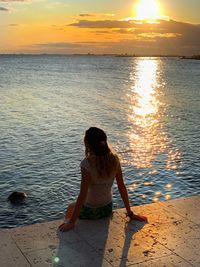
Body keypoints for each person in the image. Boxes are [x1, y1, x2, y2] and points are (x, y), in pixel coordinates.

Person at [59, 127, 147, 232]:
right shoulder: (114, 160)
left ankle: (69, 225)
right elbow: (121, 186)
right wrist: (130, 213)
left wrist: (71, 222)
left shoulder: (86, 164)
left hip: (91, 211)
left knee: (70, 207)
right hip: (106, 209)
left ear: (88, 144)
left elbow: (83, 194)